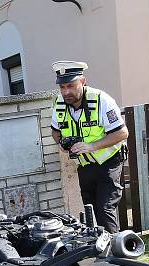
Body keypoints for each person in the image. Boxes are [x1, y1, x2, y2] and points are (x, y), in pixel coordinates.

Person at [50, 60, 129, 233]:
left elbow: (122, 133)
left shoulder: (102, 100)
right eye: (62, 87)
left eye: (70, 86)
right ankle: (97, 250)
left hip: (109, 162)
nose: (66, 92)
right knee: (90, 210)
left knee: (104, 208)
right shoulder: (59, 104)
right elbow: (55, 132)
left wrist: (91, 146)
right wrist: (62, 144)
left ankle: (114, 254)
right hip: (84, 166)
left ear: (83, 81)